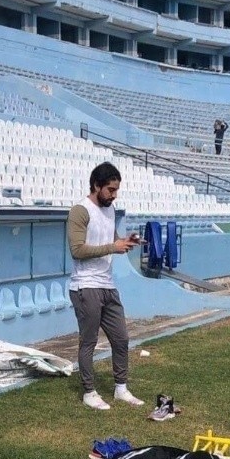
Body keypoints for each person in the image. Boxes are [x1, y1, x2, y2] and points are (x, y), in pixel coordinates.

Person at [67, 162, 144, 411]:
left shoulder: (110, 210)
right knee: (88, 342)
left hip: (107, 284)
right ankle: (89, 392)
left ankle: (121, 388)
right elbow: (77, 250)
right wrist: (114, 246)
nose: (114, 195)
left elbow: (110, 242)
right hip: (85, 285)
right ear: (96, 185)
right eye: (110, 190)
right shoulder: (80, 211)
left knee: (121, 339)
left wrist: (125, 242)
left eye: (116, 190)